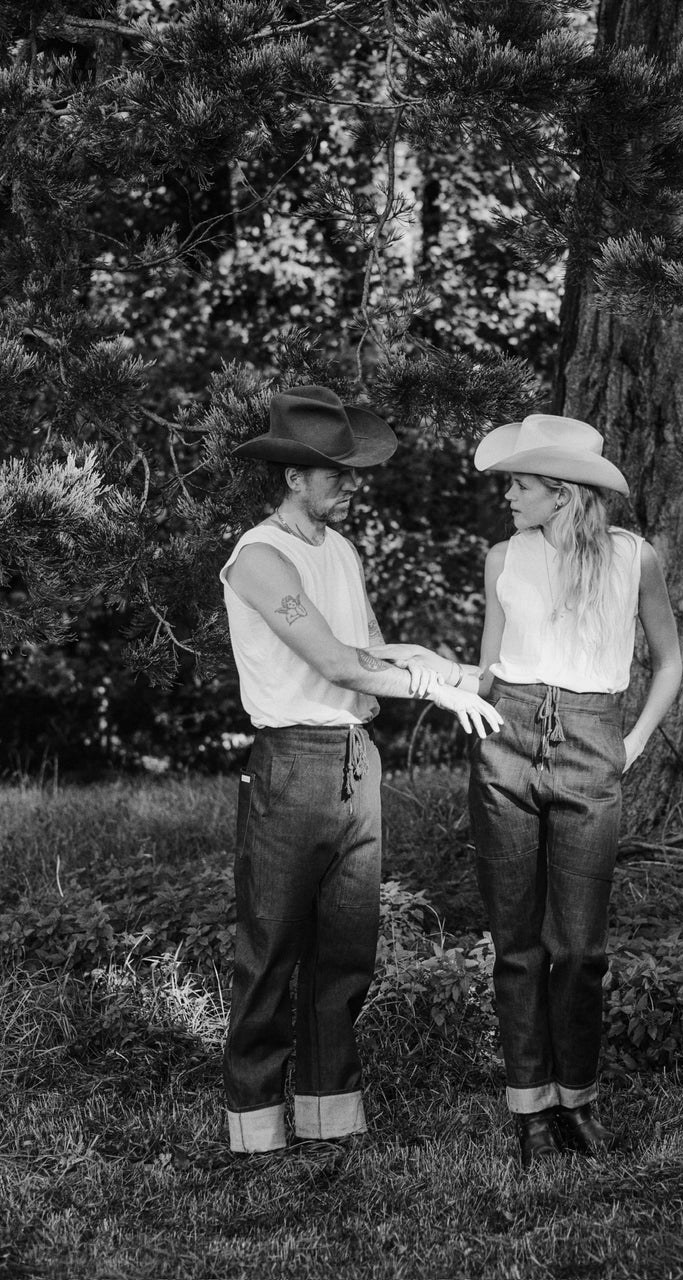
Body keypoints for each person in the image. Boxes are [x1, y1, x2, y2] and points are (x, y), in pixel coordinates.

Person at [378, 413, 682, 1168]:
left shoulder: (634, 559)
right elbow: (487, 670)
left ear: (562, 492)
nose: (507, 495)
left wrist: (629, 745)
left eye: (519, 483)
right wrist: (419, 669)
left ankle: (577, 1096)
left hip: (591, 744)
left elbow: (671, 662)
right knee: (516, 945)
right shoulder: (501, 559)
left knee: (579, 949)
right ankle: (531, 1110)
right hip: (505, 743)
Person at [220, 384, 502, 1156]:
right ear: (293, 478)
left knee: (346, 950)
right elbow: (337, 662)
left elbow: (371, 651)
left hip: (355, 763)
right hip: (291, 765)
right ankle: (253, 1129)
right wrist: (431, 689)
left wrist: (463, 671)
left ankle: (329, 1115)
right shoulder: (259, 559)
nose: (350, 483)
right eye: (336, 473)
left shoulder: (341, 551)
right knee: (271, 948)